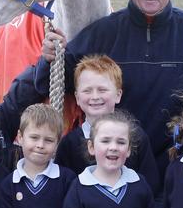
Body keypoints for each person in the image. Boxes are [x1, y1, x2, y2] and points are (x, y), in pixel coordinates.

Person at [39, 0, 183, 178]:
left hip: (179, 160)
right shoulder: (103, 32)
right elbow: (56, 79)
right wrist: (50, 57)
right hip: (116, 161)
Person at [54, 55, 159, 195]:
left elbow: (152, 191)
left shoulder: (136, 138)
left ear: (118, 95)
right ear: (77, 98)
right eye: (87, 90)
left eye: (102, 90)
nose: (95, 96)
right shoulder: (68, 144)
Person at [61, 110, 160, 208]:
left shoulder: (139, 184)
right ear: (91, 147)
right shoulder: (78, 189)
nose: (113, 147)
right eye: (105, 141)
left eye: (121, 142)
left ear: (128, 149)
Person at [0, 103, 76, 208]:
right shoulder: (8, 184)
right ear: (20, 137)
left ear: (57, 143)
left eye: (48, 140)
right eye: (34, 137)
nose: (40, 145)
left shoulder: (67, 180)